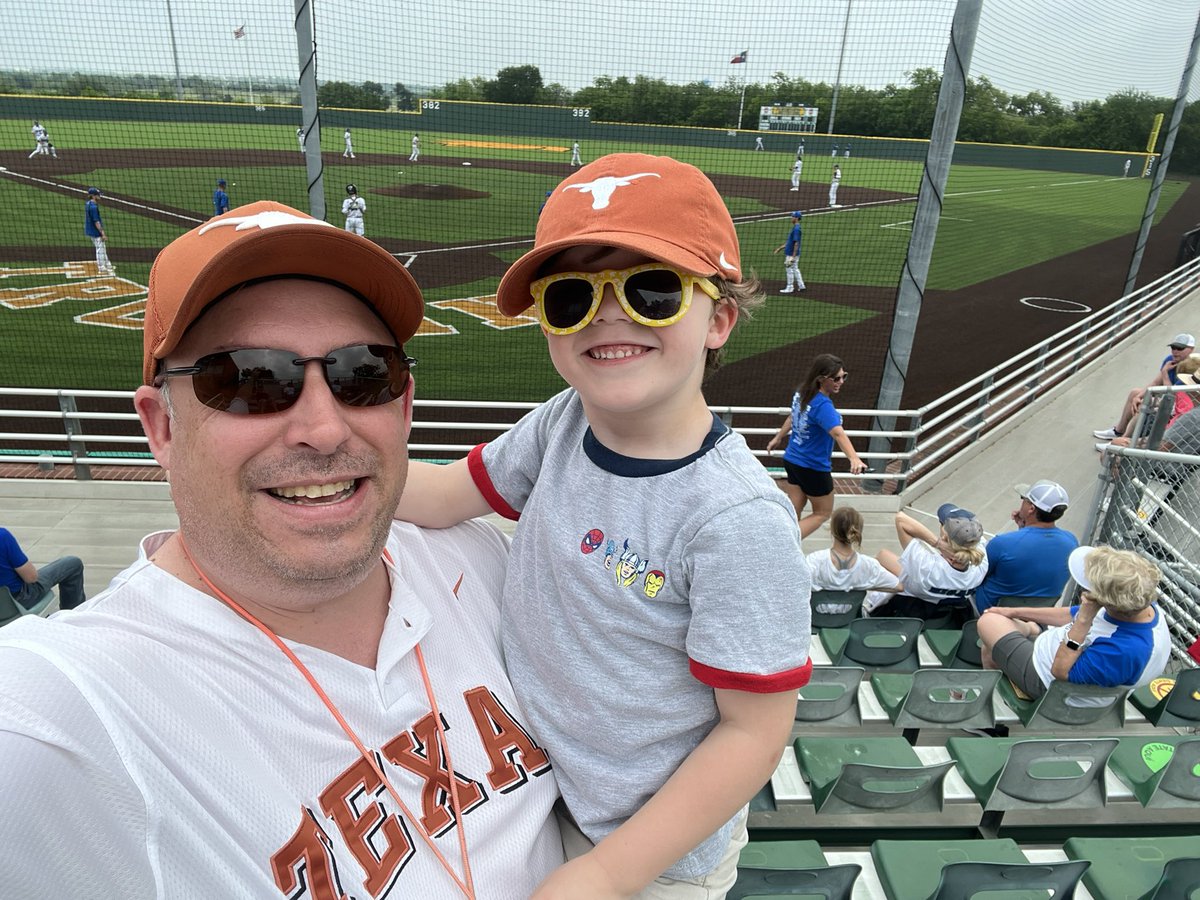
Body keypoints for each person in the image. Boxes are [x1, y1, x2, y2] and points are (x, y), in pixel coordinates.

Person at [0, 200, 563, 897]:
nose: (323, 429)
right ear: (161, 427)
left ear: (405, 404)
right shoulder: (76, 707)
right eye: (248, 379)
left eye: (363, 373)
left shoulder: (479, 561)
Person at [397, 153, 812, 897]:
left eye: (652, 290)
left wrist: (609, 873)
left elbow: (753, 734)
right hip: (531, 789)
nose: (608, 314)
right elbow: (441, 495)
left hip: (646, 852)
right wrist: (341, 474)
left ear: (718, 319)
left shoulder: (737, 518)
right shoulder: (560, 423)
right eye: (570, 298)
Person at [979, 545, 1170, 699]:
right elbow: (1071, 614)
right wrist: (1013, 611)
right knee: (1003, 622)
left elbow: (1060, 671)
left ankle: (995, 701)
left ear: (1105, 601)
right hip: (1055, 649)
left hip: (1049, 687)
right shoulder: (1137, 602)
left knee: (988, 622)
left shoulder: (1125, 650)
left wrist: (1085, 619)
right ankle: (1028, 631)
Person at [766, 353, 866, 537]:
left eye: (844, 376)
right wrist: (854, 458)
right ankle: (788, 544)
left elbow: (792, 416)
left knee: (795, 505)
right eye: (836, 378)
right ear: (821, 379)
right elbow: (837, 433)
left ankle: (780, 538)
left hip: (793, 461)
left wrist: (778, 438)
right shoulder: (823, 406)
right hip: (813, 468)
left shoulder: (801, 394)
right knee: (822, 513)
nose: (841, 381)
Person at [864, 505, 988, 624]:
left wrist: (937, 543)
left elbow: (900, 519)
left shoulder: (927, 566)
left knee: (882, 556)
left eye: (942, 523)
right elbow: (977, 541)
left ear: (944, 535)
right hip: (947, 616)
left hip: (910, 607)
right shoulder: (981, 566)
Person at [973, 480, 1078, 613]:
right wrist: (1023, 528)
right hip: (1036, 617)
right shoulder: (1071, 542)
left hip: (991, 614)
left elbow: (978, 574)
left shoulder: (1003, 543)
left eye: (1024, 499)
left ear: (1031, 509)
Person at [1093, 333, 1195, 441]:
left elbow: (1172, 394)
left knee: (1146, 402)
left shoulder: (1191, 367)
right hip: (1169, 399)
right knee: (1135, 393)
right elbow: (1155, 383)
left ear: (1191, 349)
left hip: (1181, 405)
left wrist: (1165, 372)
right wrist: (1138, 396)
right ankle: (1118, 431)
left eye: (1180, 348)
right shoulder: (1170, 360)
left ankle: (1123, 440)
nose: (1175, 351)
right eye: (1173, 347)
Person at [806, 507, 903, 593]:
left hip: (816, 613)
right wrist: (866, 586)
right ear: (858, 531)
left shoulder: (815, 560)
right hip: (851, 614)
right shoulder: (869, 566)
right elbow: (898, 587)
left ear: (832, 529)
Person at [0, 527, 85, 612]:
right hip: (15, 602)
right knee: (73, 564)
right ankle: (72, 618)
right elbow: (31, 578)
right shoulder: (2, 536)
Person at [773, 211, 807, 293]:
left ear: (796, 218)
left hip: (791, 254)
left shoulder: (796, 229)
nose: (791, 218)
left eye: (792, 217)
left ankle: (790, 287)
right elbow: (790, 242)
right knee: (795, 269)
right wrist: (780, 248)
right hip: (793, 253)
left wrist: (793, 256)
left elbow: (796, 243)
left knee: (789, 269)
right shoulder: (796, 228)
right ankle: (801, 285)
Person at [84, 186, 114, 276]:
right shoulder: (93, 207)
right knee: (100, 249)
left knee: (102, 247)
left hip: (90, 230)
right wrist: (102, 233)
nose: (99, 196)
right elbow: (96, 221)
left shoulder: (88, 204)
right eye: (97, 195)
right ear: (93, 196)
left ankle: (107, 264)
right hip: (95, 231)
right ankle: (101, 267)